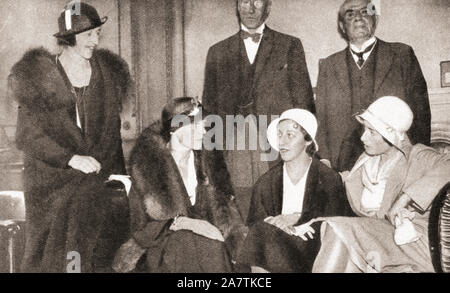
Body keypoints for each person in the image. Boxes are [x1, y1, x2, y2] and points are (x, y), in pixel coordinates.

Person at [9, 2, 131, 272]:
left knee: (101, 247)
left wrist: (120, 176)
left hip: (97, 181)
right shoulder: (39, 77)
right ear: (69, 37)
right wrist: (71, 159)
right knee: (58, 257)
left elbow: (112, 135)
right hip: (52, 182)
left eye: (98, 34)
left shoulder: (107, 74)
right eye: (89, 35)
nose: (96, 41)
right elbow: (27, 135)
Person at [202, 0, 314, 221]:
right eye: (245, 1)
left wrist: (304, 149)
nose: (251, 8)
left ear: (268, 8)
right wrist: (212, 159)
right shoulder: (217, 51)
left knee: (275, 208)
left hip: (276, 143)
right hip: (233, 146)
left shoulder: (289, 46)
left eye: (257, 2)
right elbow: (209, 110)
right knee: (239, 211)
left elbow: (304, 104)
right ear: (237, 6)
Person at [311, 96, 450, 273]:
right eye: (364, 129)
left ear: (390, 135)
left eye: (371, 131)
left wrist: (405, 198)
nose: (363, 137)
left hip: (412, 242)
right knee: (345, 255)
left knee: (337, 228)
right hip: (378, 236)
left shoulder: (418, 156)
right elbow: (338, 186)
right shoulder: (365, 161)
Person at [112, 97, 246, 273]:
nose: (203, 132)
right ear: (176, 128)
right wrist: (184, 223)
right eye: (195, 126)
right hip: (162, 247)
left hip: (210, 244)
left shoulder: (208, 164)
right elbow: (141, 229)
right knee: (192, 242)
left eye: (204, 126)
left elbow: (228, 216)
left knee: (211, 246)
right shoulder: (149, 168)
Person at [315, 0, 431, 172]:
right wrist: (324, 159)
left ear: (375, 19)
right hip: (343, 165)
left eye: (364, 12)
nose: (358, 17)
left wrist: (417, 161)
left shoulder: (402, 55)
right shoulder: (329, 65)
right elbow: (320, 117)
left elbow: (421, 113)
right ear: (342, 26)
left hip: (394, 161)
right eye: (350, 14)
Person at [237, 109, 352, 273]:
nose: (282, 142)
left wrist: (298, 219)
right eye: (280, 134)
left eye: (290, 135)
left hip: (313, 250)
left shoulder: (328, 178)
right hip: (275, 245)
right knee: (260, 233)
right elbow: (255, 220)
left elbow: (338, 222)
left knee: (262, 238)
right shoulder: (267, 181)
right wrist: (274, 223)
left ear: (307, 141)